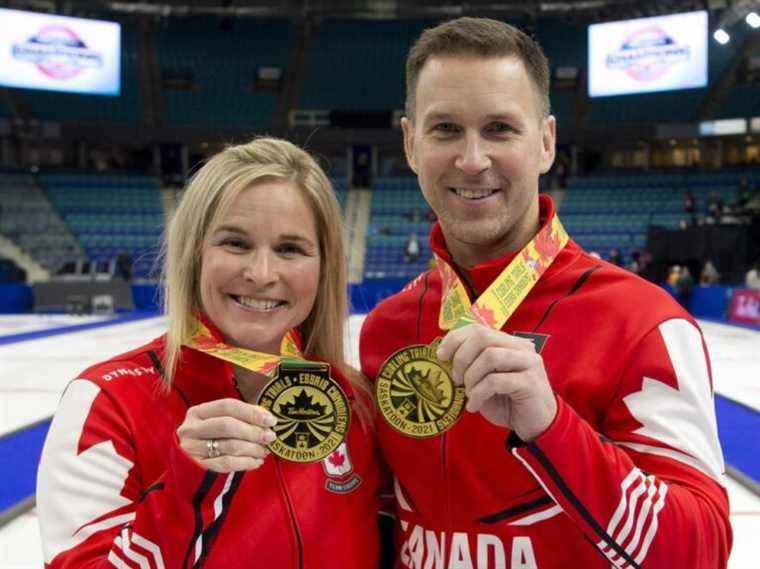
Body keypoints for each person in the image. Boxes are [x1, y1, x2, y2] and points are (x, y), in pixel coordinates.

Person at [359, 17, 731, 568]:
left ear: (546, 142)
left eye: (500, 129)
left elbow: (698, 551)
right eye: (445, 130)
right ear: (411, 144)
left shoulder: (642, 321)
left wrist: (550, 427)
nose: (472, 159)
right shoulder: (386, 328)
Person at [37, 138, 388, 568]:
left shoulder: (356, 400)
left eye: (290, 249)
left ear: (323, 266)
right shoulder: (109, 403)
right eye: (235, 243)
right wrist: (188, 489)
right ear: (194, 253)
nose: (261, 274)